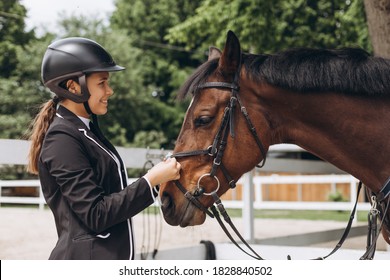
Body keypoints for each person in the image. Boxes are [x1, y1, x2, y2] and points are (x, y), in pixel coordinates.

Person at [27, 37, 181, 260]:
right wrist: (150, 181)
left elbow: (111, 195)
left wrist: (158, 182)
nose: (110, 91)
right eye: (102, 83)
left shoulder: (87, 130)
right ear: (73, 86)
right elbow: (95, 214)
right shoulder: (62, 138)